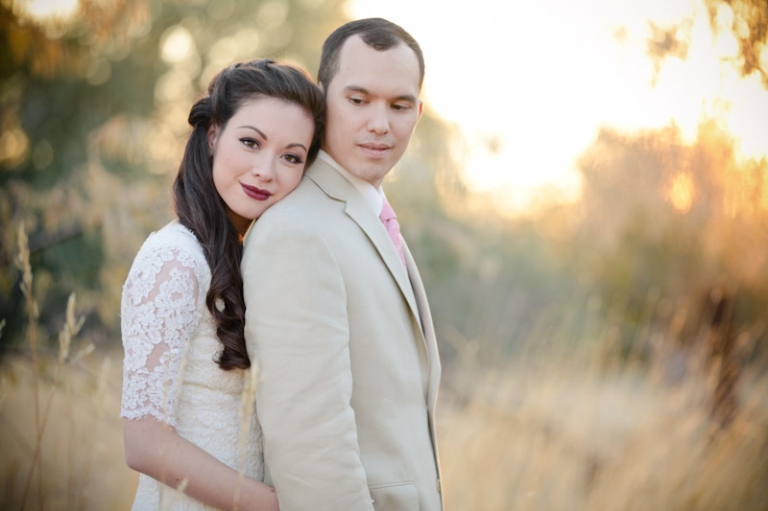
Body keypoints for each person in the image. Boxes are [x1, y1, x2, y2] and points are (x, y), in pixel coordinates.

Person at [242, 18, 442, 510]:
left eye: (398, 106)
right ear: (322, 99)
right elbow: (309, 443)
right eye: (358, 100)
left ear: (418, 113)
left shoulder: (367, 213)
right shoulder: (296, 231)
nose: (380, 123)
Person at [120, 59, 324, 510]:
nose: (266, 170)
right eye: (250, 142)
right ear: (213, 134)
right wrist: (271, 505)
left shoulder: (247, 260)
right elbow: (143, 442)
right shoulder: (174, 259)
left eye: (291, 156)